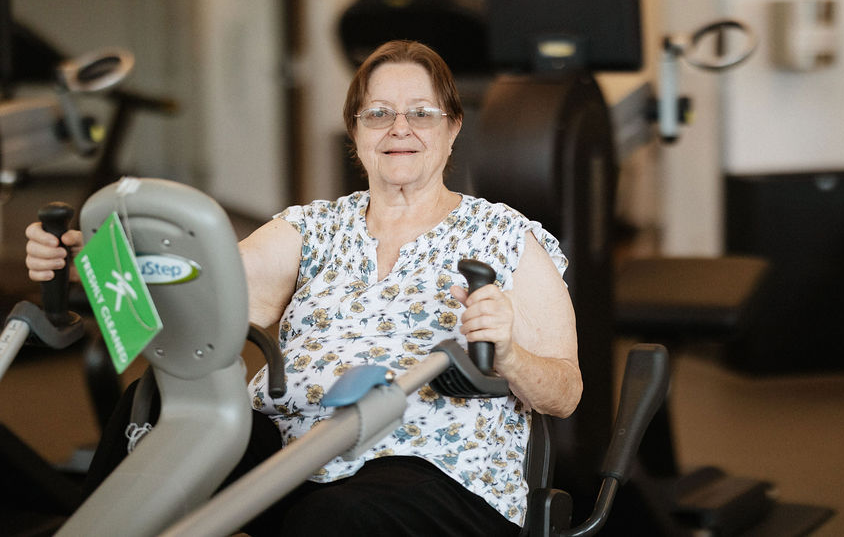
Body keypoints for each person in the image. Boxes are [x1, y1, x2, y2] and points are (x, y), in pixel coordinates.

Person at [24, 39, 582, 536]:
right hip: (292, 443)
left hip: (429, 462)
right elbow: (204, 284)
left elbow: (563, 392)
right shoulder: (315, 226)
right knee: (155, 412)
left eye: (422, 113)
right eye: (378, 113)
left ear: (454, 126)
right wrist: (78, 258)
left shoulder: (504, 236)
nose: (399, 129)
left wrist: (509, 353)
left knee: (334, 518)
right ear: (355, 131)